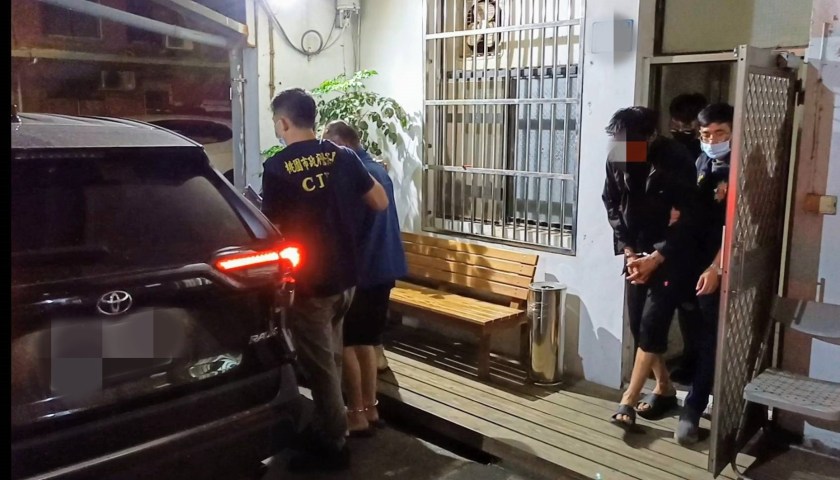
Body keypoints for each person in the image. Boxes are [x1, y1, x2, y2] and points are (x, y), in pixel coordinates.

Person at [261, 88, 389, 472]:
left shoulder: (277, 167)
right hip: (348, 278)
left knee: (320, 368)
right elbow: (379, 201)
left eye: (277, 123)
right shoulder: (343, 156)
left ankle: (334, 444)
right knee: (331, 355)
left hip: (312, 283)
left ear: (284, 122)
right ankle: (328, 425)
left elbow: (271, 228)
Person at [601, 106, 699, 429]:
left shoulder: (675, 157)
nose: (623, 147)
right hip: (636, 252)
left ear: (651, 136)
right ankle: (665, 388)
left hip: (668, 255)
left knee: (652, 323)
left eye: (631, 140)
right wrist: (629, 252)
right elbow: (611, 203)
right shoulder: (618, 156)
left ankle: (628, 399)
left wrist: (656, 257)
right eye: (619, 139)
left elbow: (688, 216)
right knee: (637, 326)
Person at [323, 120, 408, 437]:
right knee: (368, 342)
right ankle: (371, 409)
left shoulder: (354, 174)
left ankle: (356, 414)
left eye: (329, 146)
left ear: (340, 143)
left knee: (348, 343)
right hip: (385, 269)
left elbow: (348, 228)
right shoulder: (378, 170)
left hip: (363, 271)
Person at [675, 103, 734, 445]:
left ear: (733, 132)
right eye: (706, 134)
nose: (712, 140)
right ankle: (684, 387)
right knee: (693, 330)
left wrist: (716, 267)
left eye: (719, 133)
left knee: (712, 336)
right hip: (691, 263)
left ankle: (694, 407)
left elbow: (737, 227)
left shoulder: (741, 167)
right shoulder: (701, 162)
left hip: (719, 265)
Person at [667, 92, 708, 385]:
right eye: (676, 125)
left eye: (686, 127)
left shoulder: (708, 156)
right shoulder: (669, 150)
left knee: (700, 307)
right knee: (685, 304)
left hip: (703, 241)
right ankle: (690, 358)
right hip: (675, 241)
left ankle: (702, 364)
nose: (679, 131)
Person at [668, 93, 708, 159]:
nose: (680, 130)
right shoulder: (666, 149)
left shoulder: (708, 152)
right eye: (676, 126)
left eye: (686, 126)